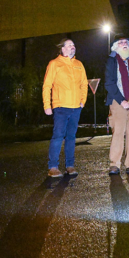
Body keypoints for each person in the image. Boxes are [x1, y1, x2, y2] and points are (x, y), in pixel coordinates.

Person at [42, 38, 88, 178]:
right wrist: (47, 105)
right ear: (62, 49)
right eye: (69, 45)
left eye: (73, 45)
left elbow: (84, 84)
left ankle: (69, 166)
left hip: (75, 108)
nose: (72, 47)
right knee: (57, 137)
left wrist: (82, 101)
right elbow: (47, 85)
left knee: (71, 137)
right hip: (61, 107)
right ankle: (53, 167)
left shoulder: (79, 64)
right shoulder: (54, 64)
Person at [104, 35, 129, 175]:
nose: (124, 44)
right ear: (115, 47)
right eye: (120, 42)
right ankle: (114, 164)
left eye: (126, 42)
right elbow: (109, 83)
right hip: (118, 102)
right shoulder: (112, 61)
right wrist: (122, 100)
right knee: (118, 132)